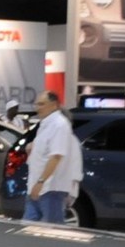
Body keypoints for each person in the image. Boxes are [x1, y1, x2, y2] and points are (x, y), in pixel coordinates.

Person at [23, 90, 83, 222]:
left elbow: (56, 156)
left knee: (52, 232)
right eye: (37, 104)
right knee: (27, 228)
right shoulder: (44, 125)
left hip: (51, 189)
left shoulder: (59, 125)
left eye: (42, 104)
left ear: (54, 105)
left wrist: (40, 182)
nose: (38, 108)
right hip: (38, 188)